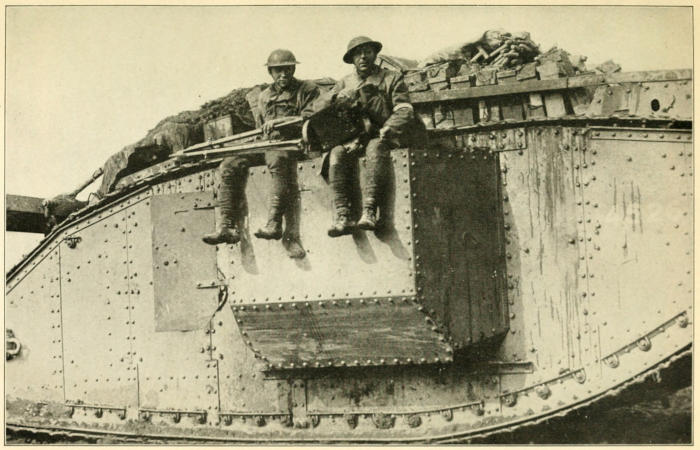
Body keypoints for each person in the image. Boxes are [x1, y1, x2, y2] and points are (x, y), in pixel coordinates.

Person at [203, 49, 319, 259]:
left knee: (277, 159)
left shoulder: (307, 89)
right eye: (278, 70)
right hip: (268, 142)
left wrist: (283, 122)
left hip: (293, 143)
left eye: (287, 69)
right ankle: (226, 226)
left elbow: (311, 117)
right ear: (270, 72)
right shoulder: (264, 96)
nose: (283, 74)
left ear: (293, 69)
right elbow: (261, 127)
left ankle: (274, 223)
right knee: (230, 163)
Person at [326, 36, 416, 237]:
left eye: (367, 52)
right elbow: (321, 106)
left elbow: (404, 109)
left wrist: (389, 127)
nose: (363, 57)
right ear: (352, 59)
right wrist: (336, 98)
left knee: (375, 148)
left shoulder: (391, 78)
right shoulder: (344, 83)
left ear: (375, 54)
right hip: (355, 138)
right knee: (336, 153)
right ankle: (343, 215)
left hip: (383, 134)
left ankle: (369, 211)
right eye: (358, 54)